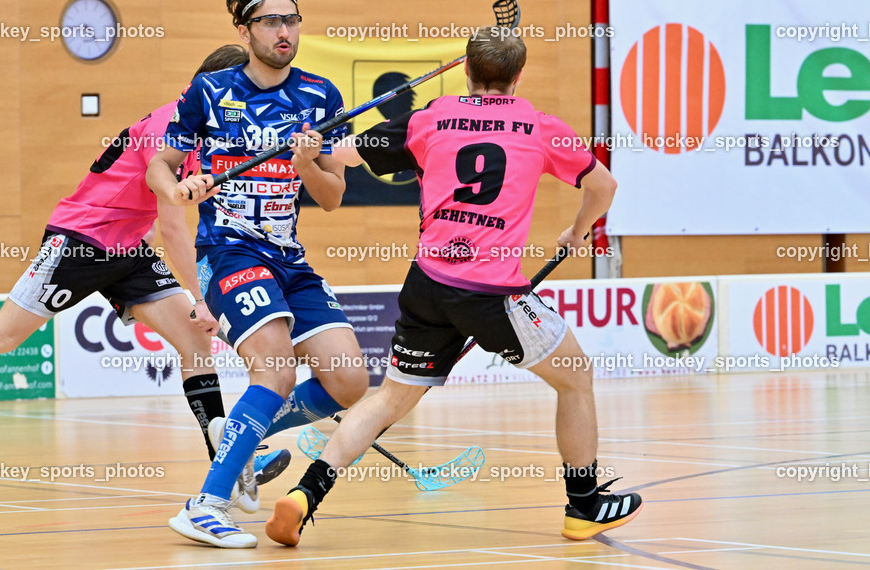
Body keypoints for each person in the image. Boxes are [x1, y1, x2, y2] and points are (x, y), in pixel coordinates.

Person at [0, 46, 290, 503]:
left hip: (127, 247)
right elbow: (172, 226)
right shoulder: (172, 129)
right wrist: (202, 296)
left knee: (195, 340)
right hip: (81, 239)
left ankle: (230, 459)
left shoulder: (202, 133)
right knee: (4, 335)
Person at [264, 27, 642, 546]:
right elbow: (605, 186)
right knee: (575, 376)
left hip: (428, 284)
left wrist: (308, 155)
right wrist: (577, 232)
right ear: (519, 75)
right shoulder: (541, 126)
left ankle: (306, 493)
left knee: (389, 399)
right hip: (491, 293)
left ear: (466, 71)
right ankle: (584, 506)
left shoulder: (429, 118)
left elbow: (344, 154)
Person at [148, 0, 369, 549]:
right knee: (274, 367)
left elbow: (333, 197)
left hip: (289, 259)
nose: (284, 31)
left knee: (349, 380)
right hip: (229, 250)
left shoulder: (321, 97)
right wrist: (180, 189)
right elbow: (159, 165)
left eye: (292, 20)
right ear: (245, 30)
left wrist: (305, 165)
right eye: (272, 21)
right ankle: (207, 503)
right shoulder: (210, 91)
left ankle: (239, 438)